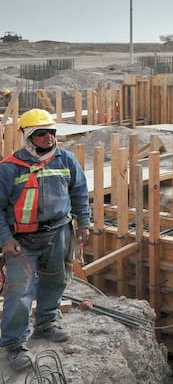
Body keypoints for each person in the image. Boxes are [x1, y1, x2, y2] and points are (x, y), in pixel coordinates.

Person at [0, 109, 91, 372]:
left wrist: (83, 223)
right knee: (19, 292)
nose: (49, 138)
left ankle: (45, 324)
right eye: (41, 134)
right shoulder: (9, 169)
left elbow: (79, 192)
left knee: (55, 280)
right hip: (22, 240)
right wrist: (5, 240)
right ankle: (15, 344)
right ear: (27, 136)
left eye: (51, 132)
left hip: (59, 232)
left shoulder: (66, 160)